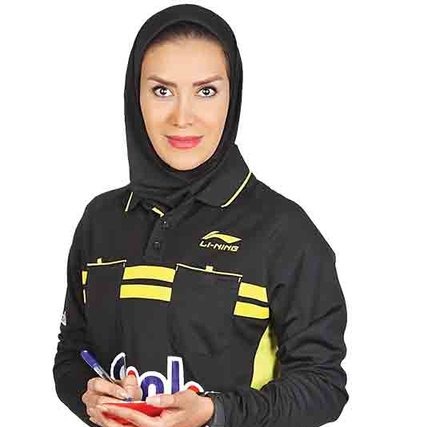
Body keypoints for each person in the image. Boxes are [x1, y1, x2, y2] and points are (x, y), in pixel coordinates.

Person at [52, 4, 349, 427]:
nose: (182, 117)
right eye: (162, 91)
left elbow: (323, 386)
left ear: (233, 97)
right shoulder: (100, 221)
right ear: (134, 97)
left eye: (206, 91)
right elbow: (72, 352)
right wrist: (90, 394)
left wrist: (215, 412)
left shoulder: (284, 231)